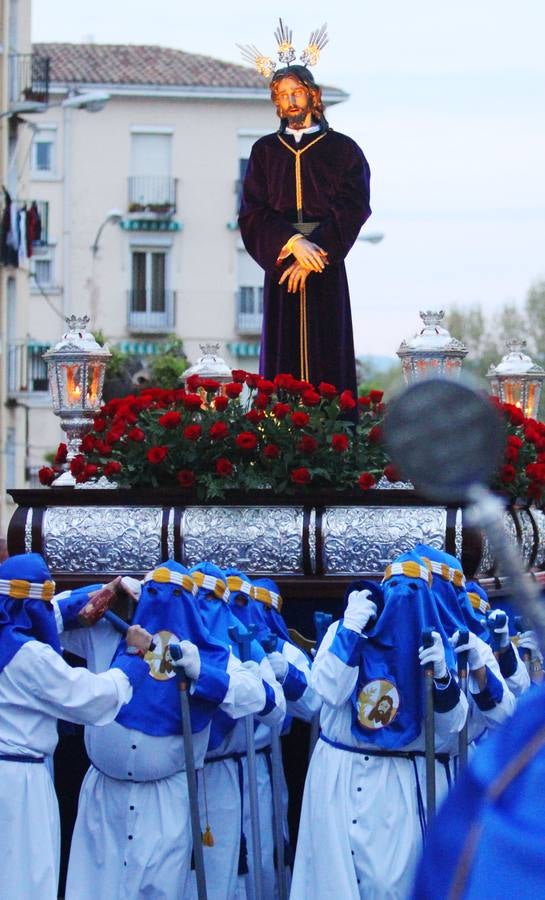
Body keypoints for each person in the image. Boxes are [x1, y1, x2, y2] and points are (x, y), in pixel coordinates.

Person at [55, 561, 266, 900]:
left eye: (177, 596)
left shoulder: (207, 650)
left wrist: (203, 673)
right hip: (104, 795)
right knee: (94, 888)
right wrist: (106, 590)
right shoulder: (107, 634)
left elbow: (257, 695)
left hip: (165, 798)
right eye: (152, 592)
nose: (163, 604)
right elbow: (47, 617)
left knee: (160, 890)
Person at [291, 550, 468, 899]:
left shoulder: (432, 641)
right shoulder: (345, 630)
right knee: (329, 883)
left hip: (397, 785)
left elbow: (453, 722)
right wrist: (351, 630)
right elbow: (326, 688)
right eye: (396, 587)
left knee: (390, 884)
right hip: (338, 776)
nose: (404, 598)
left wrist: (442, 677)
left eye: (414, 590)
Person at [0, 552, 153, 900]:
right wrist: (133, 658)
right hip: (19, 785)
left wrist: (103, 592)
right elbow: (91, 698)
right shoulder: (28, 656)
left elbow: (52, 611)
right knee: (24, 880)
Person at [238, 22, 371, 391]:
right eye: (283, 95)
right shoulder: (265, 152)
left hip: (326, 266)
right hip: (282, 268)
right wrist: (294, 245)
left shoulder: (343, 150)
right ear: (276, 102)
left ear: (313, 95)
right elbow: (252, 212)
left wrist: (315, 253)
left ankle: (332, 423)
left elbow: (353, 205)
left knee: (327, 352)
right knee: (283, 361)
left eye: (297, 92)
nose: (291, 101)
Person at [188, 562, 286, 900]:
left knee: (231, 869)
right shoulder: (169, 634)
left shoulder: (245, 644)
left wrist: (254, 680)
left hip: (229, 769)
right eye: (196, 597)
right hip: (175, 773)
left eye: (211, 599)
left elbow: (277, 708)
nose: (203, 607)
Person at [412, 682, 545, 899]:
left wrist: (463, 675)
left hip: (448, 765)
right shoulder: (530, 725)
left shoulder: (532, 728)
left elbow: (499, 711)